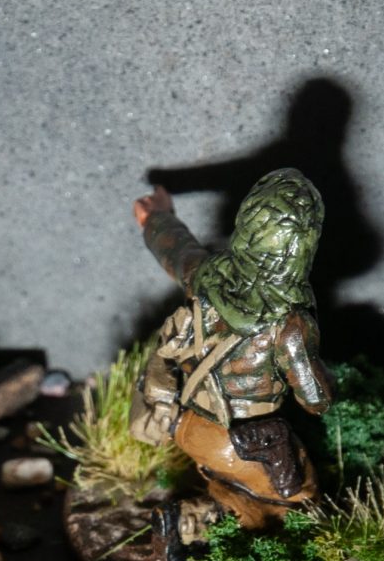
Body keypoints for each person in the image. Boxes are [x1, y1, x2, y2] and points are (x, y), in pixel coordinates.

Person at [129, 171, 334, 527]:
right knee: (300, 500)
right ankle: (195, 525)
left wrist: (156, 216)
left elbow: (176, 248)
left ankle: (197, 514)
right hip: (243, 443)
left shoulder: (208, 273)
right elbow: (316, 400)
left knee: (234, 485)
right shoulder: (291, 322)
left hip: (187, 422)